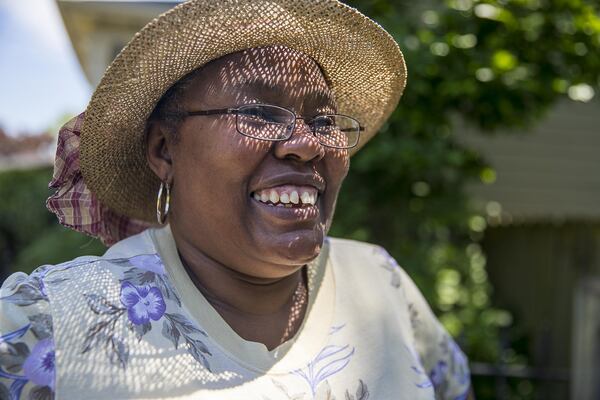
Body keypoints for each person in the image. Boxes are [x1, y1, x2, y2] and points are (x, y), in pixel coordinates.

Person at [0, 0, 473, 399]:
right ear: (165, 150)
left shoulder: (380, 283)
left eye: (325, 122)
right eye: (257, 112)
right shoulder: (47, 323)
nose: (307, 143)